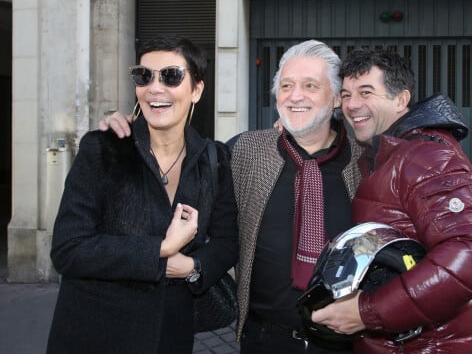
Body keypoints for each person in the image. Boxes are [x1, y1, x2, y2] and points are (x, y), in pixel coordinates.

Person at [100, 39, 363, 354]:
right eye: (287, 85)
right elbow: (176, 197)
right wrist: (136, 135)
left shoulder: (368, 162)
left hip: (347, 344)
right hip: (262, 340)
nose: (295, 96)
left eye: (310, 86)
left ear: (336, 98)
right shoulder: (243, 152)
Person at [47, 35, 238, 354]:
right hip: (95, 333)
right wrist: (160, 250)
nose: (155, 87)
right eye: (144, 75)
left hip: (170, 335)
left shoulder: (214, 159)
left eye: (171, 76)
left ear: (197, 89)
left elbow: (226, 241)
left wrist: (191, 267)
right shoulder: (103, 149)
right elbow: (68, 249)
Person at [310, 49, 472, 353]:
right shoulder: (385, 153)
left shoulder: (425, 156)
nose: (351, 105)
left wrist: (367, 312)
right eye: (346, 95)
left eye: (366, 92)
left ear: (401, 99)